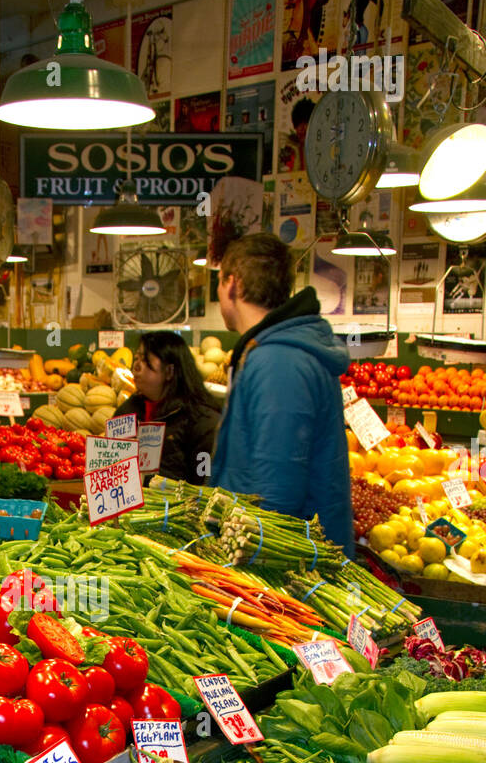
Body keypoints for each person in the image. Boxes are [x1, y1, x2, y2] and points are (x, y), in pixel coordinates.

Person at [210, 231, 354, 555]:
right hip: (283, 555)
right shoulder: (274, 351)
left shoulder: (278, 362)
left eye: (219, 282)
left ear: (234, 283)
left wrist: (245, 560)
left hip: (283, 567)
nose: (219, 294)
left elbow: (276, 489)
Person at [120, 329, 221, 486]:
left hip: (177, 508)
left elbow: (204, 479)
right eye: (137, 358)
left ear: (169, 371)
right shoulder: (127, 412)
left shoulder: (203, 422)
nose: (136, 367)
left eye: (146, 360)